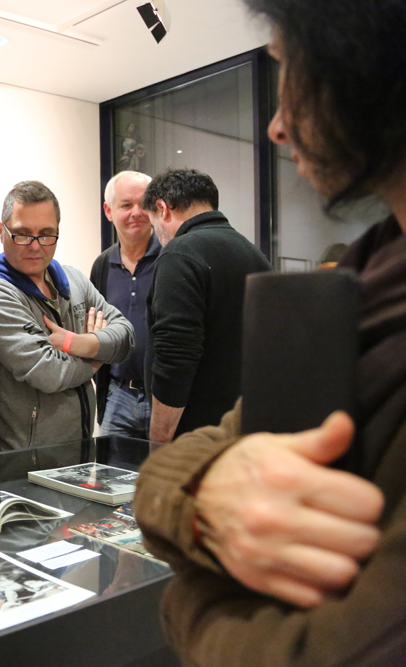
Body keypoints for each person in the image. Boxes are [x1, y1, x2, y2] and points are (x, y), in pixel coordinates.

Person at [135, 0, 406, 663]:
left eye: (291, 69)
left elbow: (174, 359)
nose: (278, 125)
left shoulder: (184, 258)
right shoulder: (352, 268)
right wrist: (205, 492)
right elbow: (176, 472)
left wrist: (187, 591)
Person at [0, 181, 134, 451]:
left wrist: (77, 343)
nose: (35, 246)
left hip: (80, 452)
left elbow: (126, 336)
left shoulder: (74, 280)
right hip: (24, 460)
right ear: (2, 231)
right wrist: (98, 359)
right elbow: (49, 373)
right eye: (23, 234)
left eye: (46, 234)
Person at [142, 168, 272, 443]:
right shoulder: (252, 253)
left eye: (154, 225)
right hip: (244, 425)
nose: (158, 237)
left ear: (163, 209)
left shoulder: (179, 254)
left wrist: (159, 441)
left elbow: (175, 359)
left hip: (196, 435)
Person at [90, 171, 158, 439]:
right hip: (117, 396)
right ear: (108, 211)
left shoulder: (173, 259)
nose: (136, 213)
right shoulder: (102, 265)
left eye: (144, 204)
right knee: (110, 466)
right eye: (126, 205)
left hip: (163, 397)